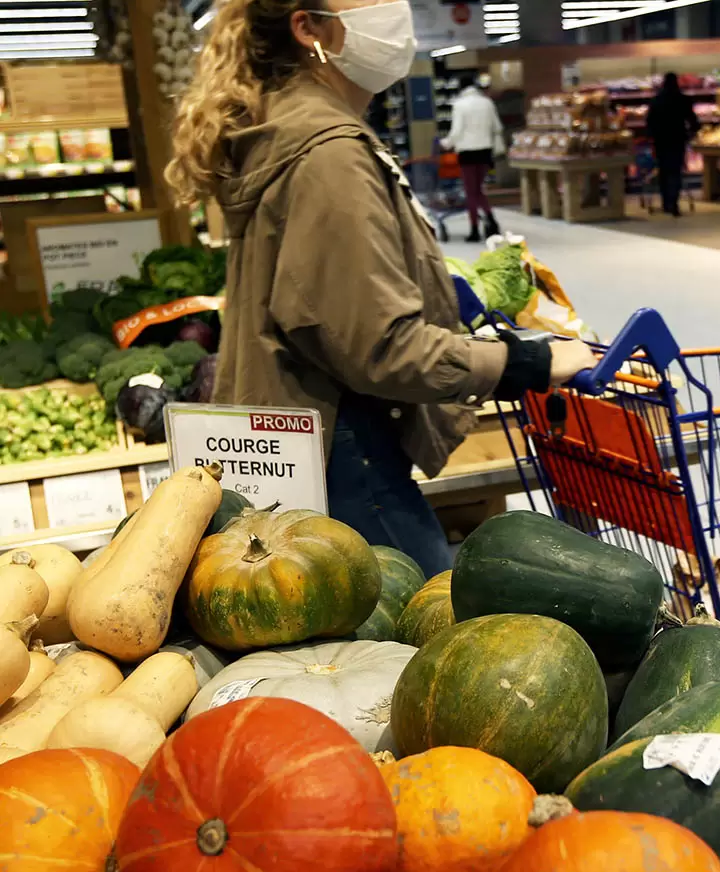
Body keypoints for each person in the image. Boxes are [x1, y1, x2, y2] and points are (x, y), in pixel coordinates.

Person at [166, 0, 597, 577]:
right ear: (309, 29)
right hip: (346, 445)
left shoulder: (286, 129)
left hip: (305, 435)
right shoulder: (329, 155)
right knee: (425, 610)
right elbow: (378, 345)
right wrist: (527, 361)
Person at [443, 74, 505, 242]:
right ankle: (491, 220)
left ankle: (475, 229)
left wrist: (446, 143)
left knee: (471, 192)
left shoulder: (459, 105)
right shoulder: (487, 102)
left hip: (467, 153)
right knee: (478, 189)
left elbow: (456, 131)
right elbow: (497, 126)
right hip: (485, 151)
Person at [645, 72, 700, 217]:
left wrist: (651, 138)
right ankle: (674, 202)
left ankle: (666, 202)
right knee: (676, 171)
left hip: (661, 140)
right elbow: (693, 120)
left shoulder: (656, 100)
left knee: (663, 171)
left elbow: (649, 121)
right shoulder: (683, 100)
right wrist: (692, 133)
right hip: (678, 139)